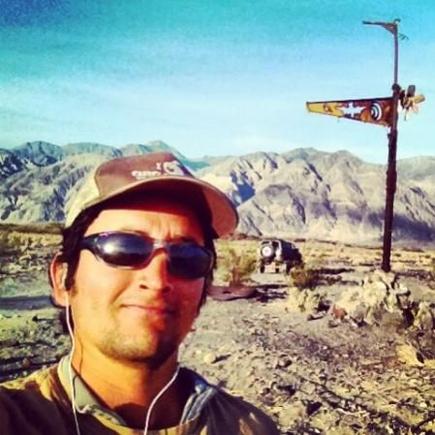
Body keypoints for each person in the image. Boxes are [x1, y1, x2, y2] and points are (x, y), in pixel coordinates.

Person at [0, 152, 279, 435]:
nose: (158, 280)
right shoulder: (13, 417)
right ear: (62, 279)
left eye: (187, 257)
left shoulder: (250, 428)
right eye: (124, 248)